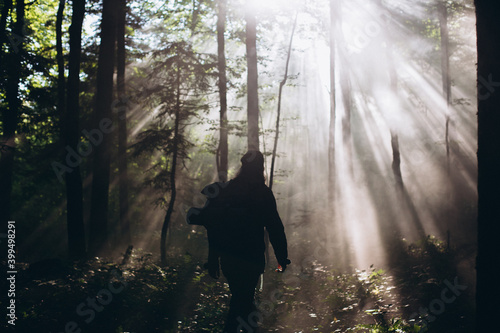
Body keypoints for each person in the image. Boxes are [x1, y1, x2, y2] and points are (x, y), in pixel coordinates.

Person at [187, 150, 290, 333]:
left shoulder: (226, 191)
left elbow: (214, 227)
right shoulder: (263, 193)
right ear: (260, 168)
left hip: (230, 259)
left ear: (243, 167)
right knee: (243, 301)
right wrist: (282, 257)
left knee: (242, 300)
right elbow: (275, 228)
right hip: (252, 258)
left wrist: (213, 258)